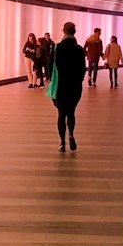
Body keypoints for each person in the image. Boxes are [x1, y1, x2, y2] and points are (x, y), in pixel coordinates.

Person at [51, 22, 87, 152]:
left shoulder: (57, 48)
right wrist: (79, 80)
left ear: (63, 31)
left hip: (61, 86)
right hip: (75, 87)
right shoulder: (79, 49)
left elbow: (51, 67)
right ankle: (71, 135)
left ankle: (62, 143)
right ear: (74, 32)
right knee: (71, 112)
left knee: (61, 114)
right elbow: (83, 68)